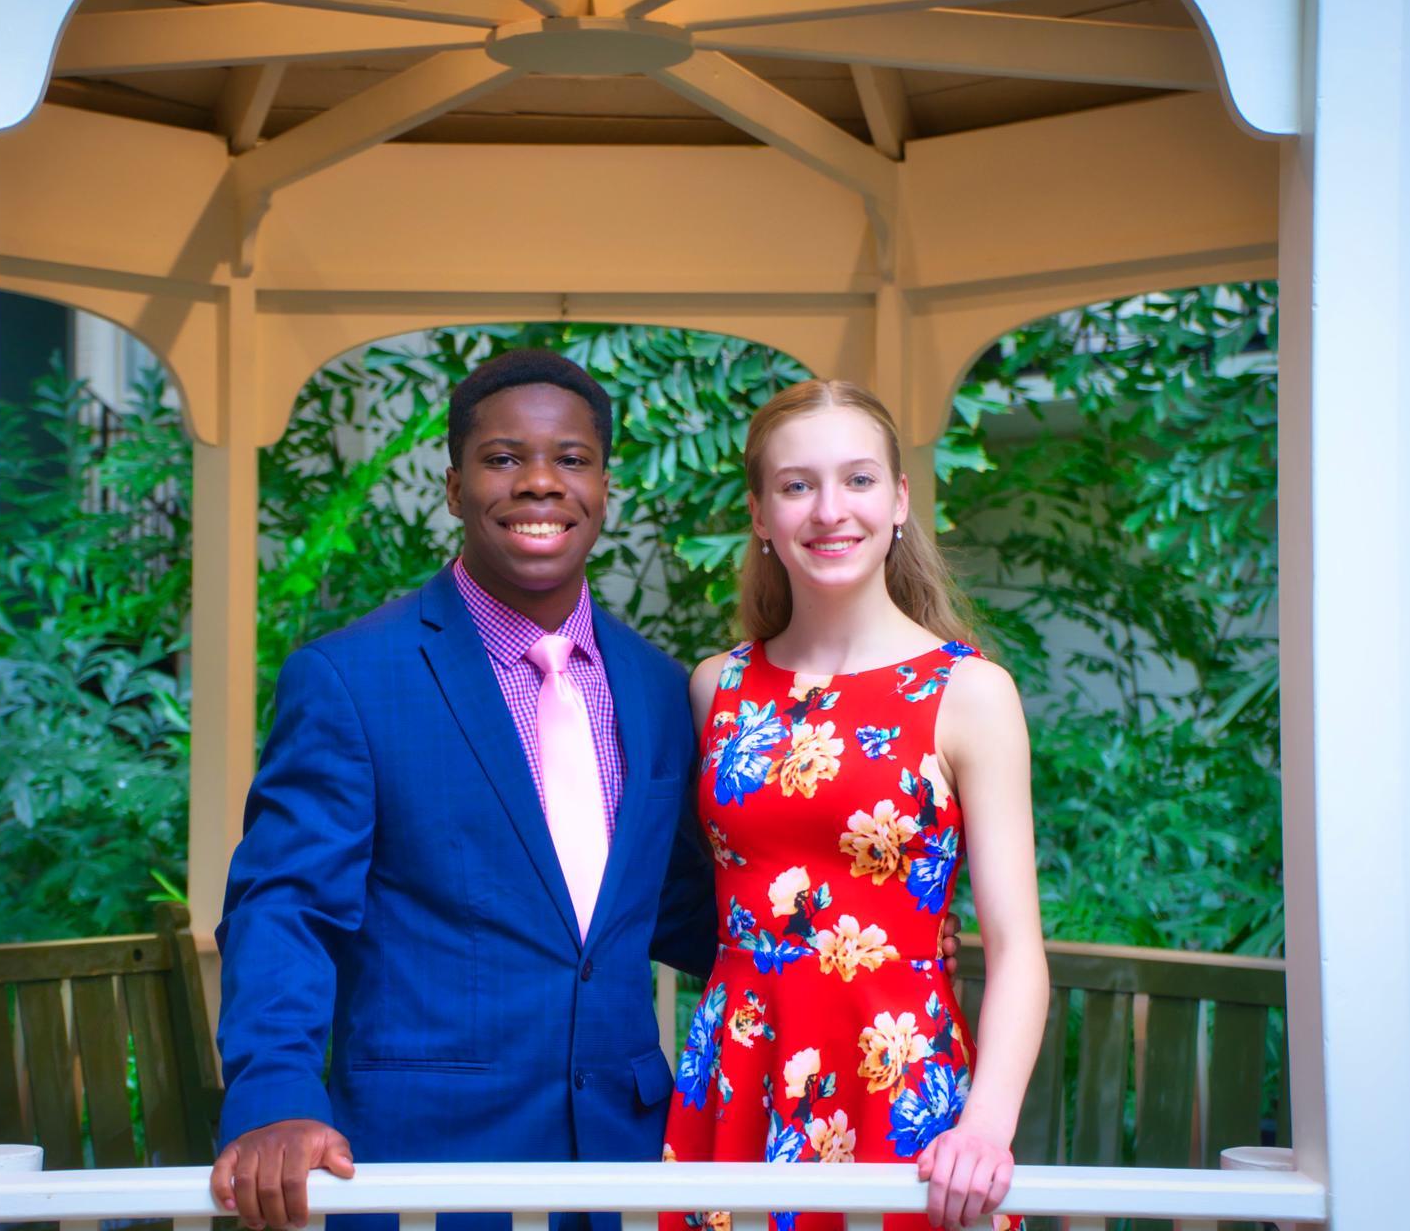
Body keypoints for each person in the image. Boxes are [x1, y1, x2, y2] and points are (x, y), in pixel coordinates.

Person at [211, 351, 962, 1231]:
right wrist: (272, 1096)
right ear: (453, 487)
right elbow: (284, 907)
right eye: (502, 460)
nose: (539, 483)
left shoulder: (659, 688)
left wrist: (868, 932)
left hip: (626, 1164)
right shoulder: (351, 679)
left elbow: (694, 904)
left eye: (570, 460)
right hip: (427, 1169)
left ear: (604, 486)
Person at [660, 380, 1047, 1231]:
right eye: (797, 485)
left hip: (899, 1083)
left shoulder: (970, 694)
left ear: (901, 500)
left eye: (859, 480)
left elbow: (1019, 948)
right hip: (739, 1083)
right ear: (760, 514)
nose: (830, 510)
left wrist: (986, 1128)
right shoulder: (714, 688)